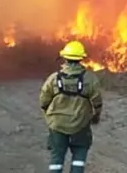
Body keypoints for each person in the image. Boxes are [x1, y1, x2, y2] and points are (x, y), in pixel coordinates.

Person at [39, 40, 103, 173]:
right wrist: (96, 116)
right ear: (81, 59)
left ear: (64, 58)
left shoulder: (54, 78)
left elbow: (44, 100)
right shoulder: (90, 79)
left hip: (57, 125)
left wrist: (48, 114)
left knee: (57, 157)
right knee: (79, 155)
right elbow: (97, 101)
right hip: (80, 125)